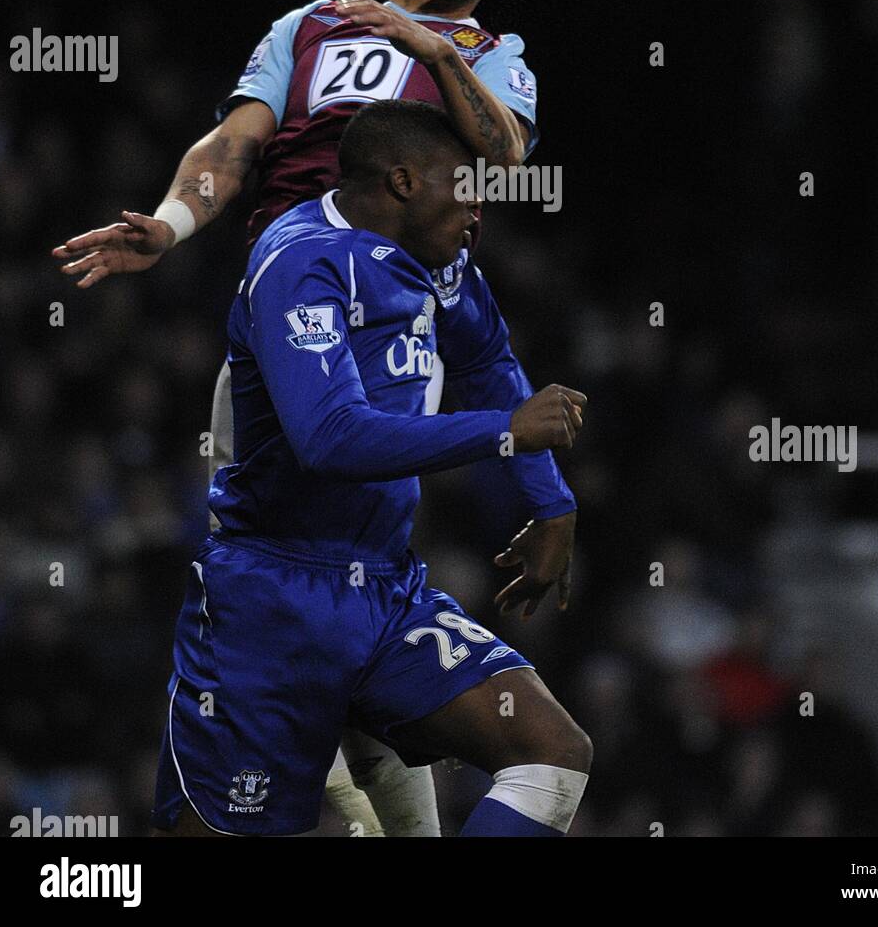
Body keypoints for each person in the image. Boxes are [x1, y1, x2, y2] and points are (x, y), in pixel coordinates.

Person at [54, 0, 554, 835]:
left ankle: (311, 757)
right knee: (294, 584)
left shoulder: (495, 56)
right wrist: (169, 222)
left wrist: (431, 49)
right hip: (295, 338)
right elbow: (231, 146)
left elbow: (502, 155)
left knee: (353, 592)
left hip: (402, 345)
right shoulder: (309, 27)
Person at [152, 102, 590, 837]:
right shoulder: (301, 262)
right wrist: (503, 433)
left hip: (385, 590)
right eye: (465, 185)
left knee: (553, 753)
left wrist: (552, 504)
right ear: (403, 181)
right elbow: (330, 439)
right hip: (270, 602)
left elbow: (485, 359)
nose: (480, 206)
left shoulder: (439, 262)